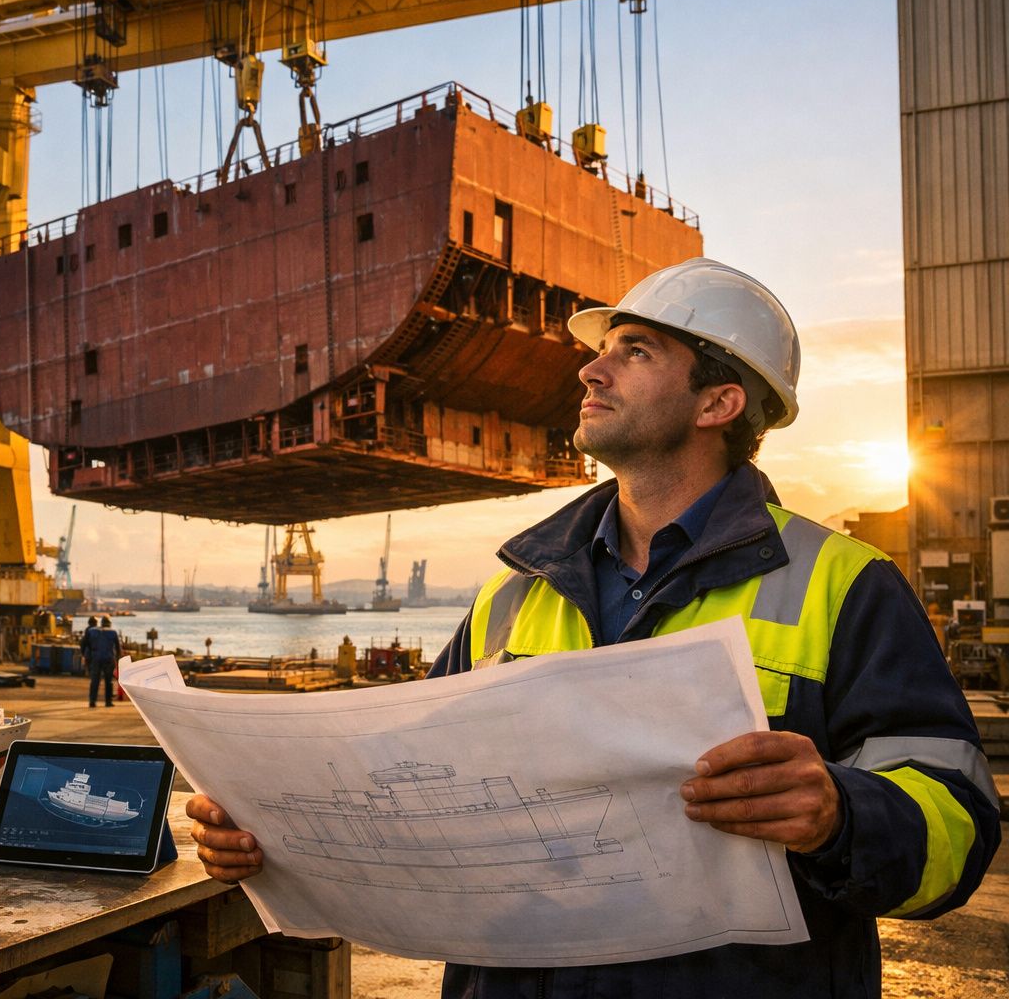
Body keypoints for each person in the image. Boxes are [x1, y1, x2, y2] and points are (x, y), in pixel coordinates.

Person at [187, 258, 1001, 997]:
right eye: (604, 346)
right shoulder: (514, 592)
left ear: (719, 402)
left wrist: (840, 812)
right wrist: (274, 837)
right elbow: (405, 788)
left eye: (636, 350)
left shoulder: (845, 584)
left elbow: (957, 826)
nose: (589, 365)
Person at [86, 615, 119, 707]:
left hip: (95, 659)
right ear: (109, 624)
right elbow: (118, 648)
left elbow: (88, 645)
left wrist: (88, 658)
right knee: (108, 681)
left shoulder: (92, 631)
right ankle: (108, 702)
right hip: (108, 659)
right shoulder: (113, 632)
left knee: (95, 681)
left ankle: (92, 701)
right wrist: (118, 660)